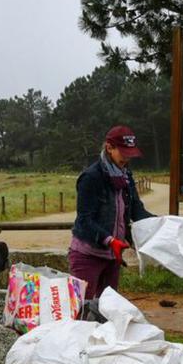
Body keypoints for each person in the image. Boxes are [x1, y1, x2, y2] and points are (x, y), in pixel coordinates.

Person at [69, 125, 154, 299]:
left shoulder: (126, 176)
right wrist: (109, 240)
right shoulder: (91, 178)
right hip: (88, 256)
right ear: (109, 148)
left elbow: (136, 210)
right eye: (123, 153)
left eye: (130, 154)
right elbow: (85, 221)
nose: (127, 158)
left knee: (108, 310)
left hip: (113, 257)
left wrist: (161, 223)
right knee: (81, 311)